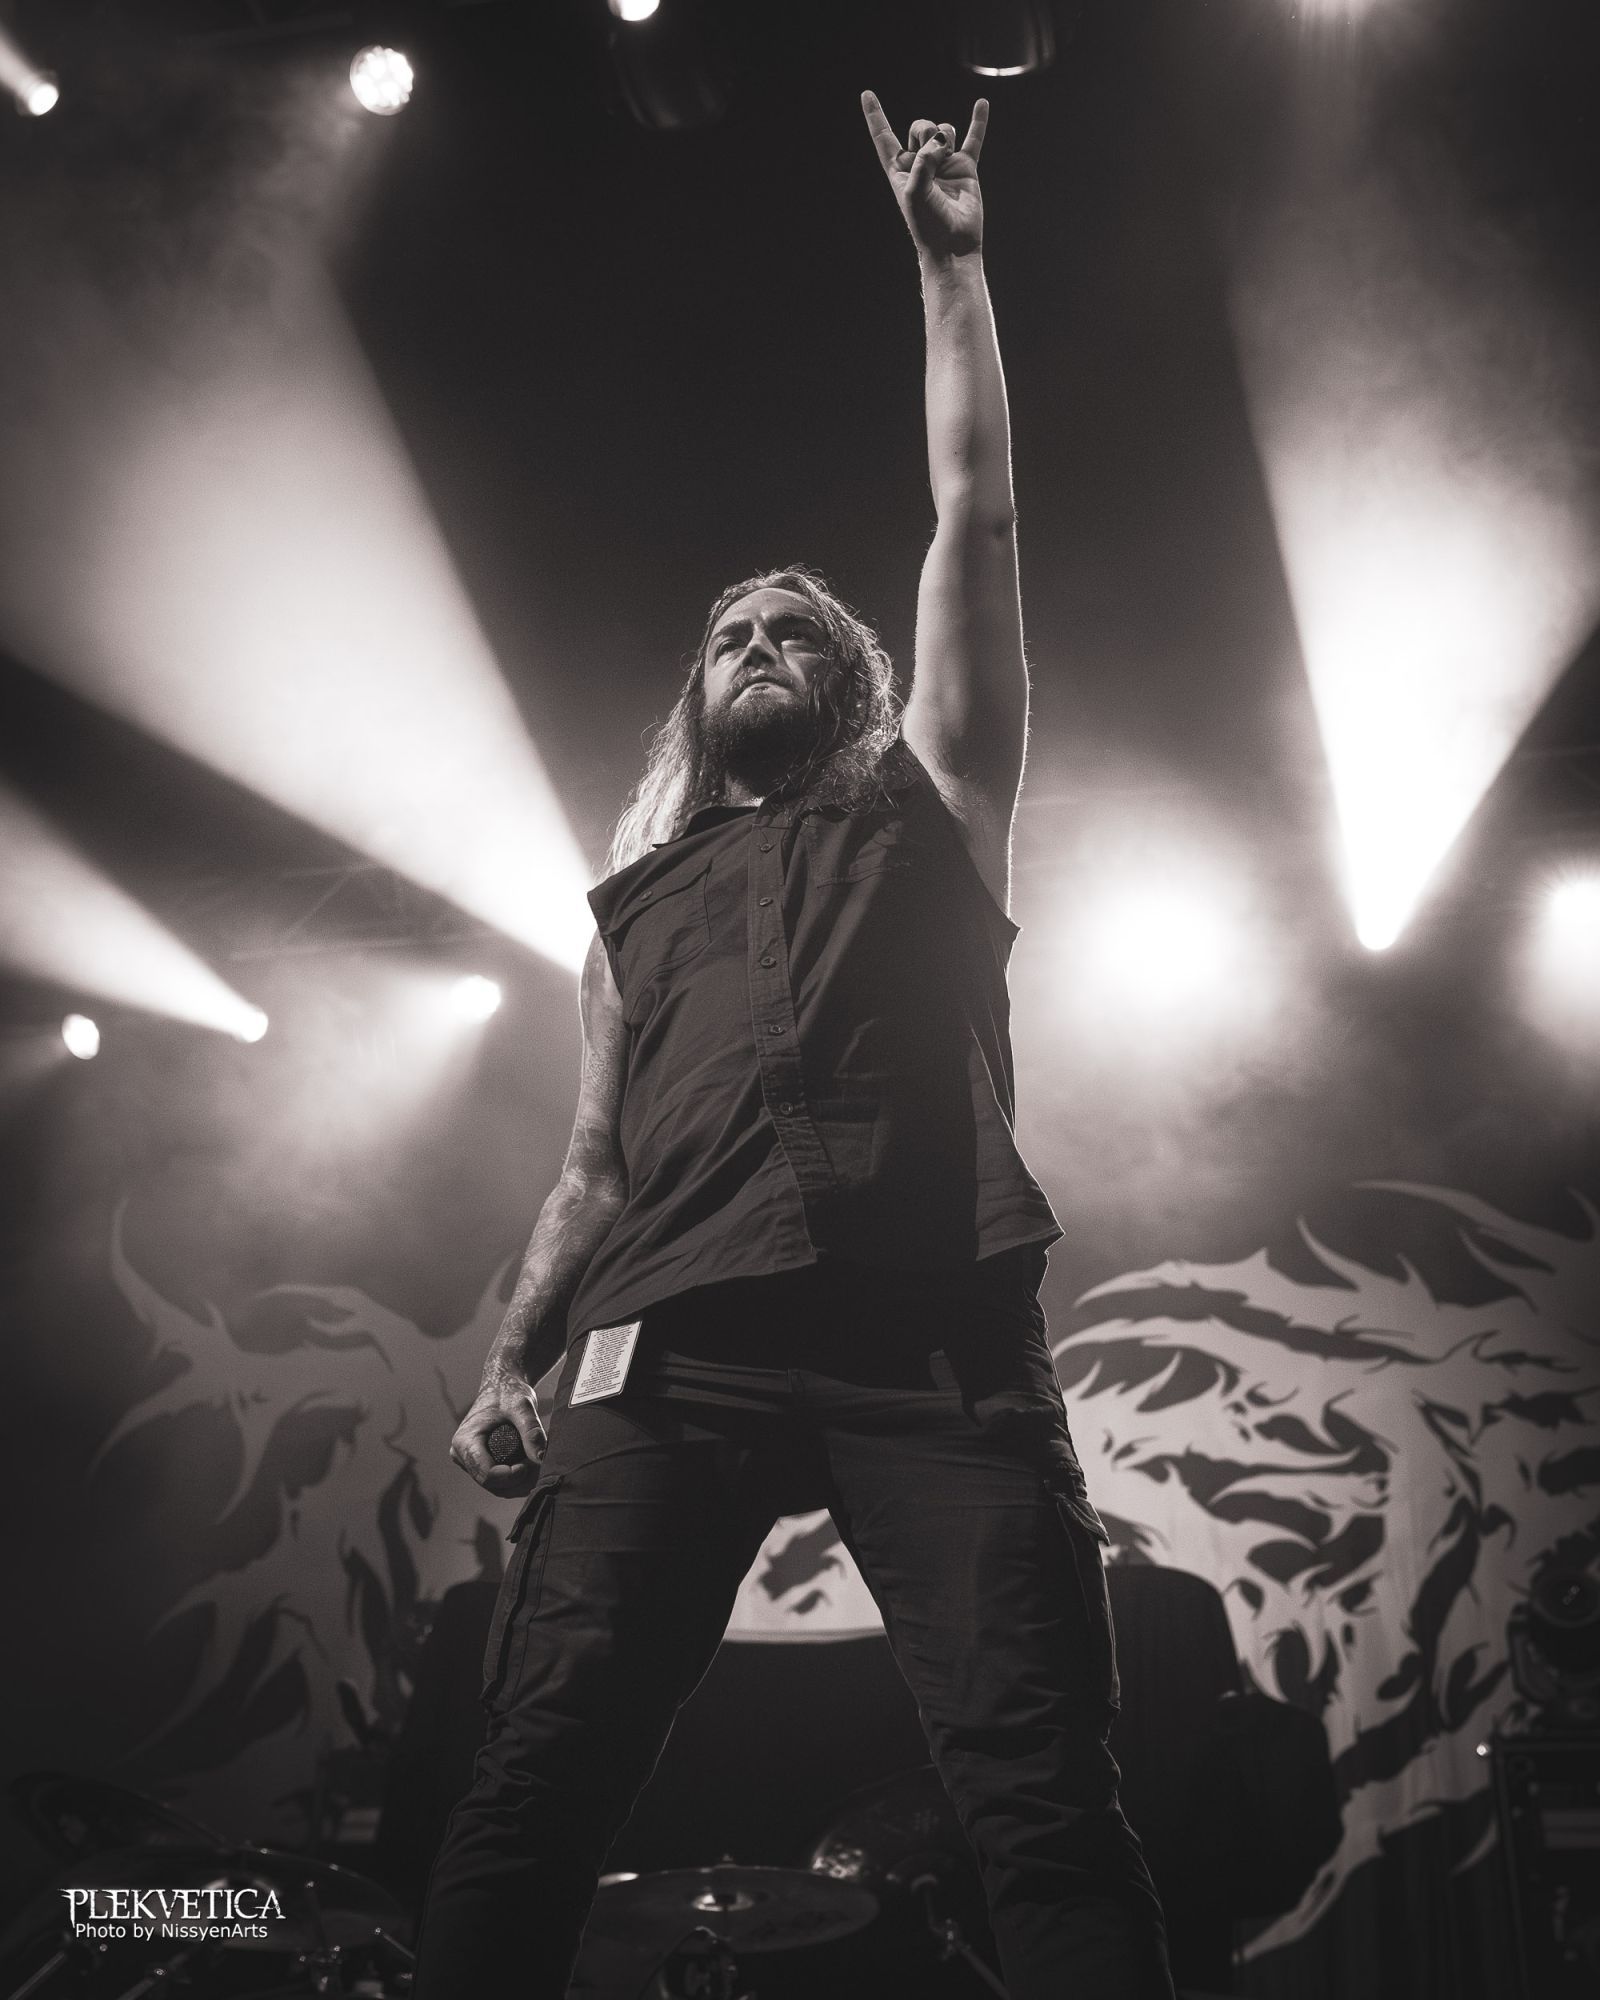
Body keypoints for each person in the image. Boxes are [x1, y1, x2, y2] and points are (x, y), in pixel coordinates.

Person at [411, 92, 1175, 2000]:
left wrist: (952, 270)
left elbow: (977, 513)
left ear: (855, 682)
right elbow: (592, 1168)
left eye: (795, 631)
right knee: (539, 1772)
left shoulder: (937, 802)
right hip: (671, 1352)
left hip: (932, 1339)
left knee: (1036, 1789)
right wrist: (511, 1362)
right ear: (697, 696)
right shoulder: (632, 911)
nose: (758, 641)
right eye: (730, 633)